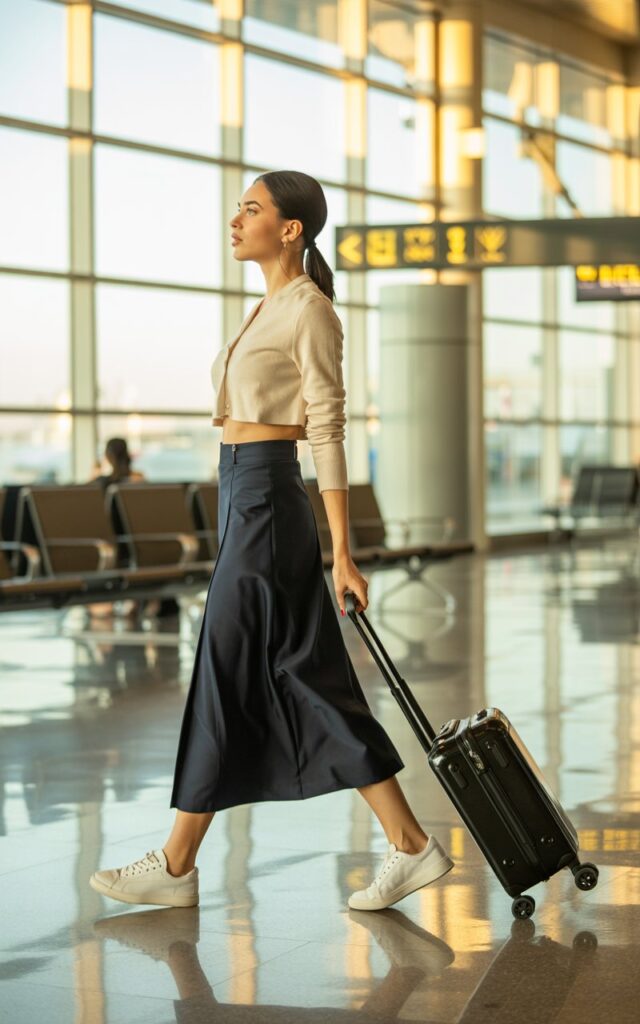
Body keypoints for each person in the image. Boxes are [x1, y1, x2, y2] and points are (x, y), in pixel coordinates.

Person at [89, 171, 454, 912]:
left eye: (251, 209)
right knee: (303, 672)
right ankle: (411, 845)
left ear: (291, 229)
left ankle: (178, 863)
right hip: (241, 498)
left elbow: (327, 428)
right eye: (239, 208)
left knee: (232, 663)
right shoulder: (269, 306)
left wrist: (342, 552)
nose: (236, 219)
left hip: (266, 500)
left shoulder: (310, 312)